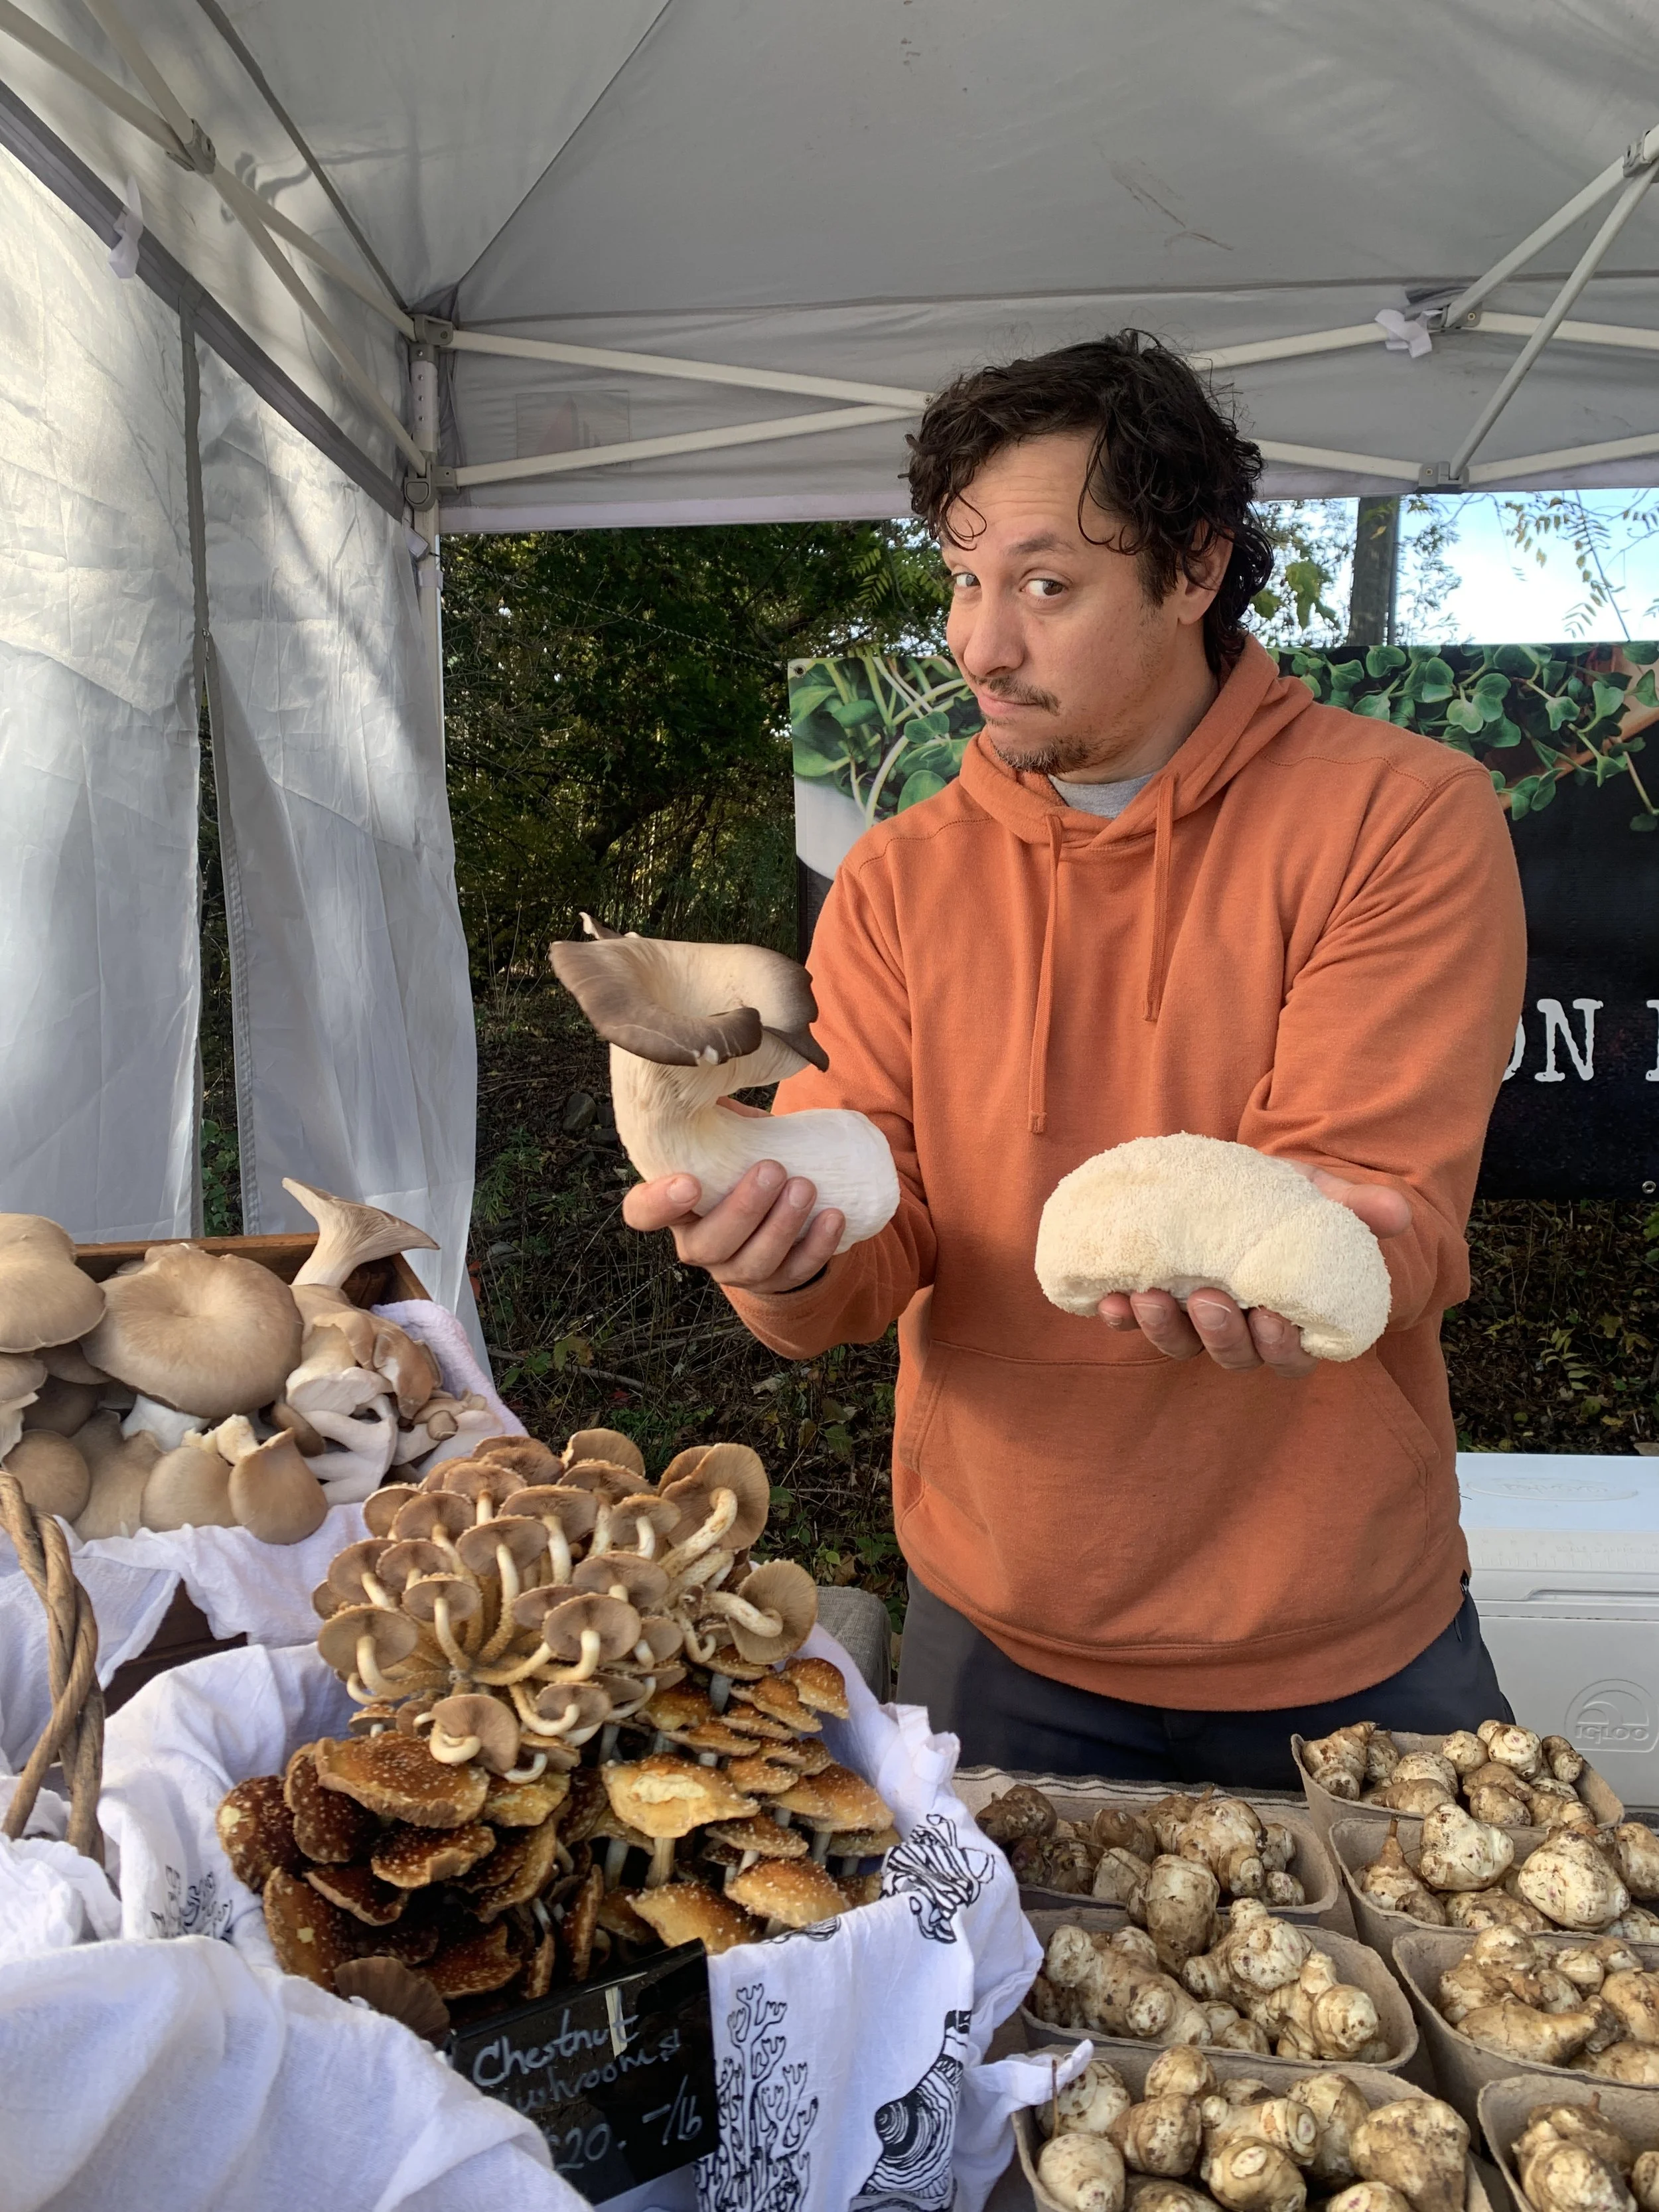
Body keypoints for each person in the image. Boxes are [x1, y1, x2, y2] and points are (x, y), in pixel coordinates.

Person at [622, 331, 1528, 1787]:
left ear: (1190, 569)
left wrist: (1316, 1256)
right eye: (964, 582)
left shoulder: (1400, 818)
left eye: (1045, 585)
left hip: (1345, 1645)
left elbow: (1372, 1211)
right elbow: (869, 1234)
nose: (981, 643)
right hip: (996, 1635)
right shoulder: (899, 879)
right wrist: (776, 1255)